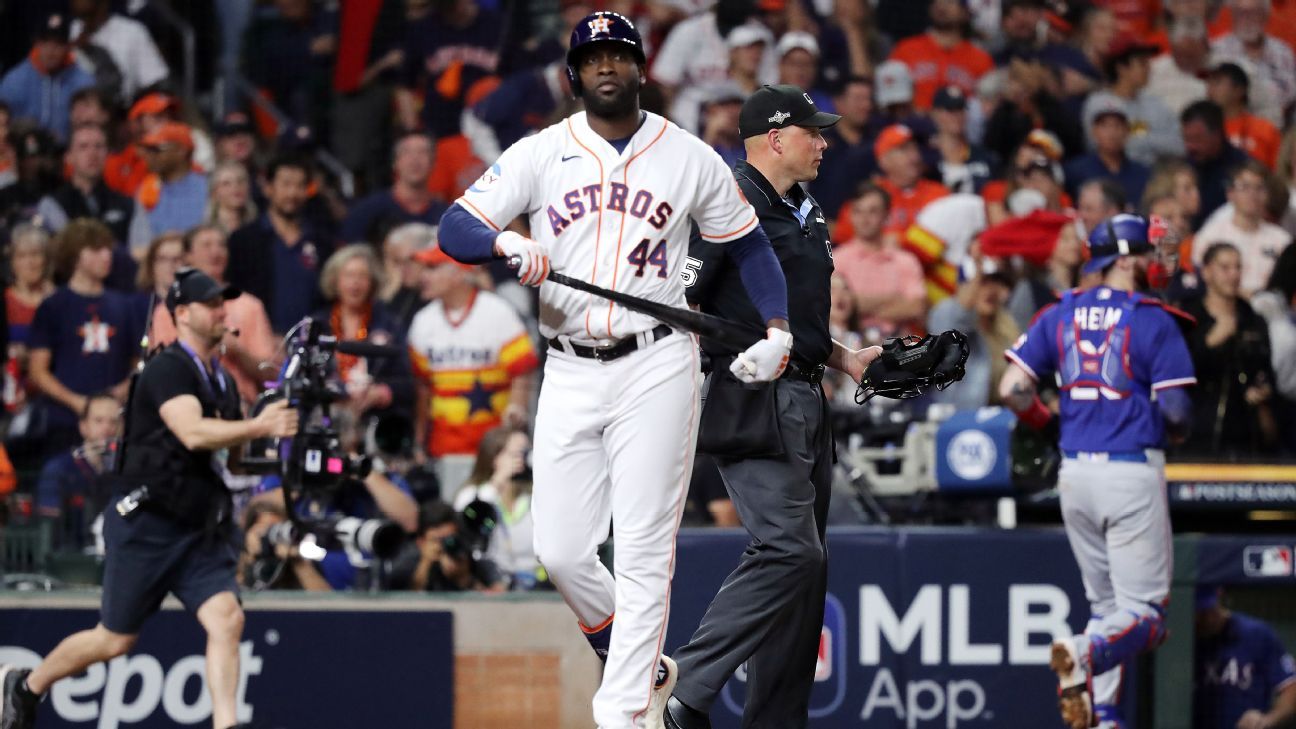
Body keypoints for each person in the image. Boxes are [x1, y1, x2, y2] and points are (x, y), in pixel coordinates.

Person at [437, 13, 793, 729]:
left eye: (619, 55)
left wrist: (780, 326)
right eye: (593, 56)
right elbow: (455, 226)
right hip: (567, 364)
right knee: (560, 549)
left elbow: (750, 247)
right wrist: (505, 242)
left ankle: (623, 710)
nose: (607, 66)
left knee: (641, 545)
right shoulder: (541, 152)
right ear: (574, 75)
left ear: (641, 69)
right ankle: (639, 659)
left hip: (656, 359)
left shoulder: (688, 155)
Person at [660, 83, 883, 729]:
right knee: (790, 551)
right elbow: (683, 305)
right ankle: (684, 689)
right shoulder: (728, 203)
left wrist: (844, 357)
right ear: (775, 138)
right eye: (812, 131)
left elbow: (797, 313)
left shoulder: (804, 205)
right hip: (753, 397)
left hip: (809, 394)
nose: (823, 141)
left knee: (804, 583)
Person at [0, 268, 299, 729]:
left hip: (197, 525)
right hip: (148, 523)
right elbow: (193, 432)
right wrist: (260, 426)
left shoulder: (221, 379)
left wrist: (285, 454)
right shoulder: (167, 368)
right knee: (114, 639)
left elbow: (235, 460)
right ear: (182, 313)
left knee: (226, 618)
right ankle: (26, 685)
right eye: (211, 303)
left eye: (224, 302)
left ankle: (226, 723)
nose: (222, 311)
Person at [1000, 214, 1196, 729]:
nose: (1160, 261)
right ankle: (1082, 653)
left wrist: (1046, 424)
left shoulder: (1059, 311)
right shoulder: (1153, 317)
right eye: (1152, 252)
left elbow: (1012, 389)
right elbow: (1177, 413)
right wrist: (1171, 431)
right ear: (1128, 259)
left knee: (1110, 606)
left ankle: (1104, 716)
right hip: (1130, 472)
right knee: (1148, 619)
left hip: (1075, 476)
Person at [407, 242, 538, 500]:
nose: (423, 276)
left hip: (491, 449)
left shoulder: (497, 312)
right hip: (444, 448)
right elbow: (423, 389)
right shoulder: (423, 321)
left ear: (457, 271)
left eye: (432, 268)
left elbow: (522, 370)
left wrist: (517, 411)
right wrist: (420, 440)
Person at [27, 219, 140, 457]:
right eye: (96, 249)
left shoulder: (125, 305)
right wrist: (77, 402)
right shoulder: (53, 306)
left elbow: (138, 363)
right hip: (64, 420)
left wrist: (124, 389)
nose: (106, 255)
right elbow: (38, 371)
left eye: (107, 249)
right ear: (75, 255)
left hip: (114, 422)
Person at [1180, 243, 1278, 457]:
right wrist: (1210, 342)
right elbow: (1176, 373)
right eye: (1225, 268)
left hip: (1246, 436)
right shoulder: (1188, 317)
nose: (1233, 275)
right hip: (1197, 435)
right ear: (1206, 272)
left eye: (1238, 268)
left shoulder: (1253, 319)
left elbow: (1267, 372)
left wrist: (1262, 390)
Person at [226, 154, 335, 334]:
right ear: (268, 188)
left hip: (310, 345)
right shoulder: (244, 240)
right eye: (286, 184)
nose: (292, 193)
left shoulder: (321, 242)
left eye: (300, 186)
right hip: (256, 344)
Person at [36, 123, 151, 255]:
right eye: (83, 147)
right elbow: (66, 254)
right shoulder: (52, 205)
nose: (92, 154)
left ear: (108, 154)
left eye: (99, 146)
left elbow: (141, 255)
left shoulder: (130, 206)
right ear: (68, 157)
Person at [832, 183, 927, 339]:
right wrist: (893, 299)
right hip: (850, 344)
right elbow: (834, 307)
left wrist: (858, 303)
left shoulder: (905, 261)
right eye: (858, 211)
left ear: (887, 215)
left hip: (898, 345)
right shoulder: (836, 259)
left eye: (873, 211)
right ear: (850, 215)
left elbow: (917, 308)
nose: (864, 219)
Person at [1195, 585, 1296, 729]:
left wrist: (1267, 719)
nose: (1204, 618)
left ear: (1219, 598)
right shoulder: (1181, 640)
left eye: (1207, 610)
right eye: (1198, 612)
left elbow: (1290, 687)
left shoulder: (1256, 633)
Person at [35, 392, 120, 552]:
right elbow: (49, 530)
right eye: (98, 420)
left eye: (114, 422)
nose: (107, 428)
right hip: (70, 559)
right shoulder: (59, 469)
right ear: (83, 426)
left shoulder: (128, 470)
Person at [1193, 159, 1292, 296]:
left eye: (1259, 188)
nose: (1253, 194)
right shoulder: (1210, 236)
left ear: (1267, 194)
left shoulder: (1282, 241)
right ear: (1230, 193)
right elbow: (1202, 284)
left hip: (1271, 312)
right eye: (1245, 187)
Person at [339, 132, 448, 246]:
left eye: (422, 152)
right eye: (406, 152)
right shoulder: (368, 211)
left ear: (434, 163)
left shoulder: (446, 217)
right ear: (395, 163)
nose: (415, 160)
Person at [0, 12, 95, 142]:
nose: (51, 50)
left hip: (69, 154)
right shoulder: (14, 82)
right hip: (23, 156)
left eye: (58, 43)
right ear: (36, 43)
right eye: (45, 42)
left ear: (68, 46)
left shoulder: (84, 83)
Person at [1207, 61, 1282, 170]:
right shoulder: (1204, 130)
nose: (1210, 88)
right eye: (1209, 82)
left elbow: (1279, 171)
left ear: (1239, 90)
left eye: (1217, 82)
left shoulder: (1265, 129)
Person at [203, 161, 258, 235]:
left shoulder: (259, 225)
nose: (235, 187)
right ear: (214, 193)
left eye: (240, 181)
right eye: (226, 183)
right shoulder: (207, 232)